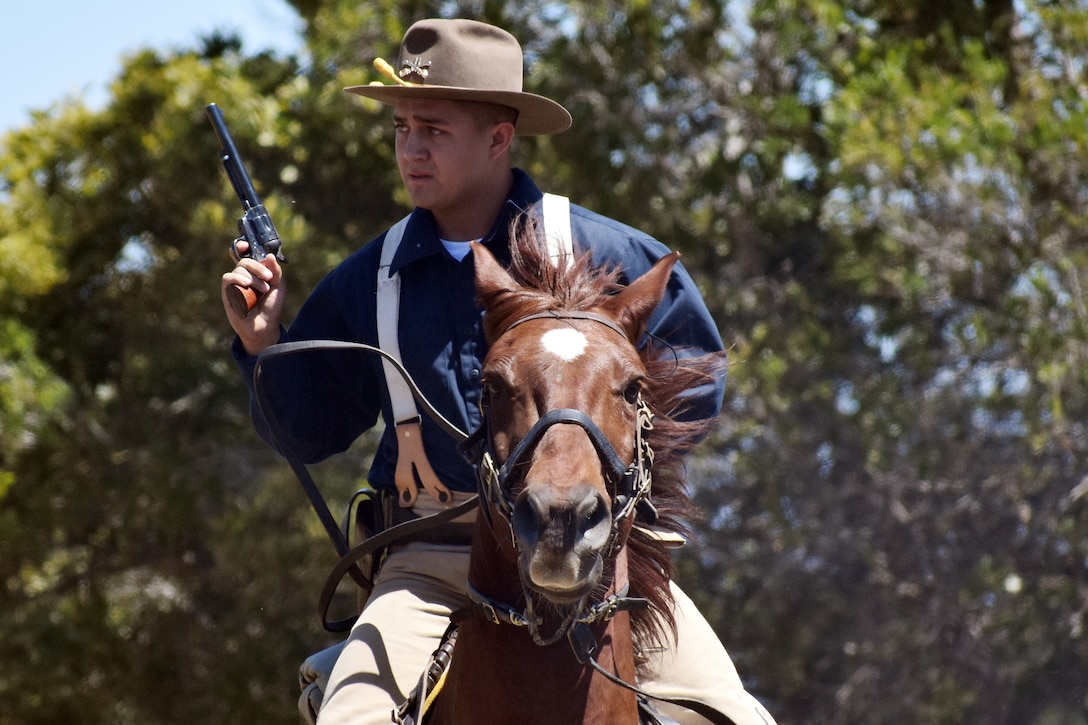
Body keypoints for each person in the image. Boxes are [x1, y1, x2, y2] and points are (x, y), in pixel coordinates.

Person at [222, 17, 775, 725]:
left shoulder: (609, 251)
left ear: (498, 138)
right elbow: (307, 432)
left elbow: (694, 383)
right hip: (430, 566)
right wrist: (262, 338)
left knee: (740, 718)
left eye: (435, 130)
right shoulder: (372, 277)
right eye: (402, 129)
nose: (412, 150)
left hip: (598, 560)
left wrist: (604, 482)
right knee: (348, 717)